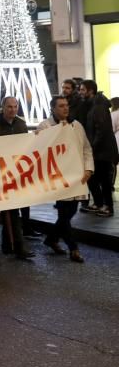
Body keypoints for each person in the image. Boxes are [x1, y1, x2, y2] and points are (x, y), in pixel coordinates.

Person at [37, 96, 94, 262]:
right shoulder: (45, 126)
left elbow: (86, 149)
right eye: (61, 106)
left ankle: (51, 239)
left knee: (70, 212)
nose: (65, 109)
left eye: (67, 105)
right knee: (63, 213)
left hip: (77, 177)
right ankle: (74, 249)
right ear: (52, 108)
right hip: (58, 178)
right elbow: (40, 151)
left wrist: (89, 169)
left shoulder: (76, 125)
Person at [0, 97, 35, 259]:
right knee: (11, 211)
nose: (13, 109)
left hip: (17, 172)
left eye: (15, 106)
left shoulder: (20, 124)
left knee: (13, 210)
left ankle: (8, 245)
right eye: (9, 107)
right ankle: (17, 247)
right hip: (1, 173)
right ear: (2, 107)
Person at [77, 80, 117, 217]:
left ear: (90, 91)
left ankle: (108, 207)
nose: (80, 92)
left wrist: (91, 147)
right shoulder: (94, 105)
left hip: (102, 151)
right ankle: (100, 204)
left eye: (82, 90)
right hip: (99, 150)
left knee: (104, 180)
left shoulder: (98, 107)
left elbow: (102, 130)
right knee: (94, 178)